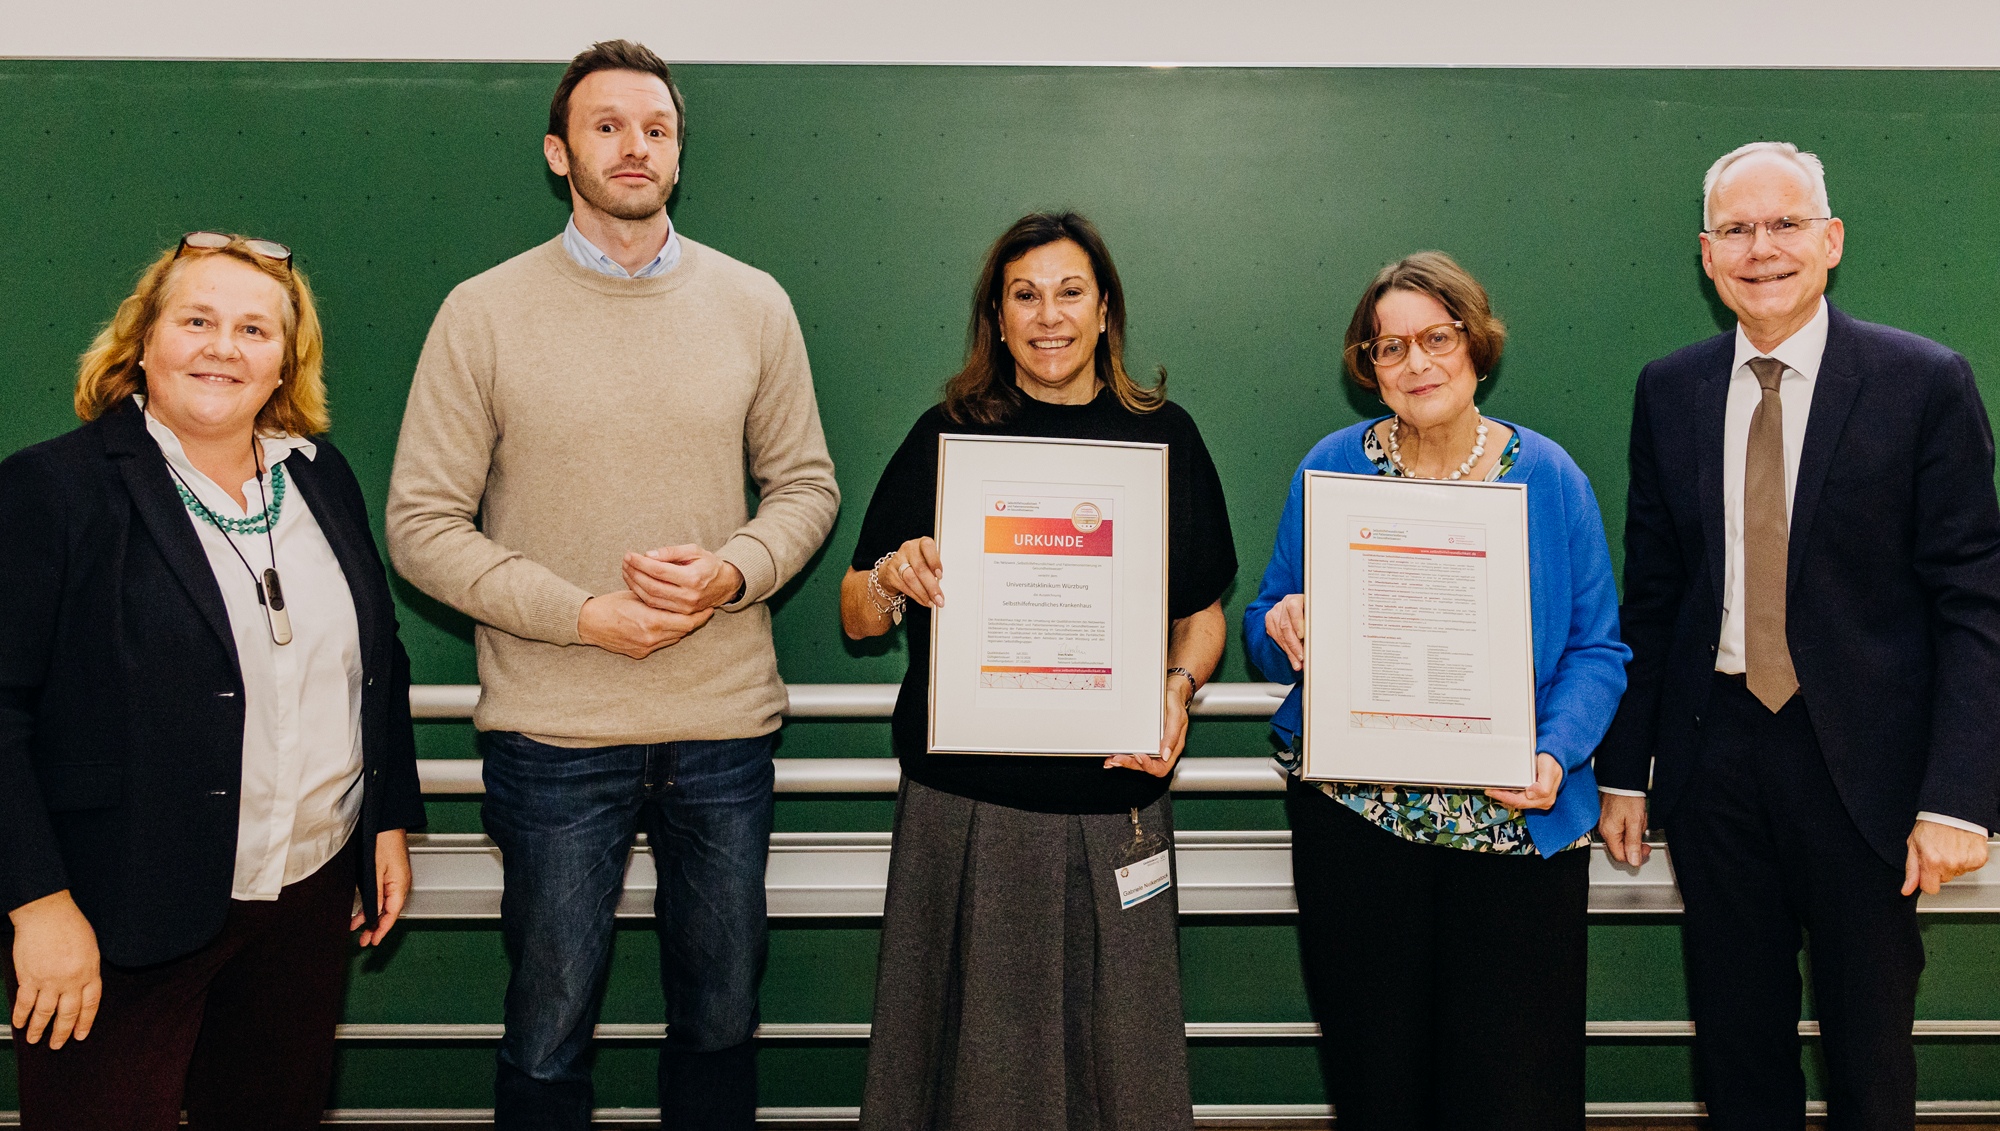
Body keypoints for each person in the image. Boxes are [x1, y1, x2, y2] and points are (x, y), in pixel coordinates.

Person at [386, 39, 840, 1131]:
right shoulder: (481, 313)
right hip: (552, 736)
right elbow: (419, 526)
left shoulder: (754, 304)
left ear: (677, 154)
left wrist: (732, 572)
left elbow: (806, 487)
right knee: (546, 1030)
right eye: (605, 125)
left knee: (722, 1018)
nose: (633, 145)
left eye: (656, 128)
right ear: (558, 152)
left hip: (721, 729)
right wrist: (580, 615)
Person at [1597, 141, 2000, 1130]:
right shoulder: (1668, 390)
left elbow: (1973, 603)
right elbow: (1651, 594)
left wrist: (1959, 797)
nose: (1758, 248)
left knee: (1868, 1054)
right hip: (1713, 757)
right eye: (1734, 229)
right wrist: (1623, 771)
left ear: (1829, 242)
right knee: (1737, 1049)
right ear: (1704, 255)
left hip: (1866, 769)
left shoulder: (1922, 383)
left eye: (1782, 224)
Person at [0, 232, 424, 1130]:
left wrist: (385, 815)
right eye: (196, 320)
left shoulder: (322, 479)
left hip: (304, 901)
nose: (223, 347)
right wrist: (37, 906)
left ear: (284, 365)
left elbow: (377, 656)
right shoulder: (52, 490)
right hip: (117, 909)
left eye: (254, 330)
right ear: (142, 342)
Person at [844, 211, 1234, 1131]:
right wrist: (895, 577)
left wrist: (1176, 690)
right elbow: (857, 610)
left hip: (1112, 800)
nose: (1047, 315)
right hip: (964, 804)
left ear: (1105, 312)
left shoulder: (1165, 437)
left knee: (1119, 1071)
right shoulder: (946, 434)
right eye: (1024, 294)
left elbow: (1203, 615)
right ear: (998, 314)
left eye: (1069, 292)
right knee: (957, 1074)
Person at [1243, 251, 1629, 1130]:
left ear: (1475, 343)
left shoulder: (1550, 477)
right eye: (1389, 348)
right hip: (1359, 826)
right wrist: (1280, 624)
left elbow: (1599, 649)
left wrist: (1553, 751)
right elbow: (1265, 625)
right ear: (1368, 366)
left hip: (1513, 821)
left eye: (1436, 338)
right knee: (1379, 1082)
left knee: (1514, 1092)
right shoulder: (1331, 468)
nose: (1415, 363)